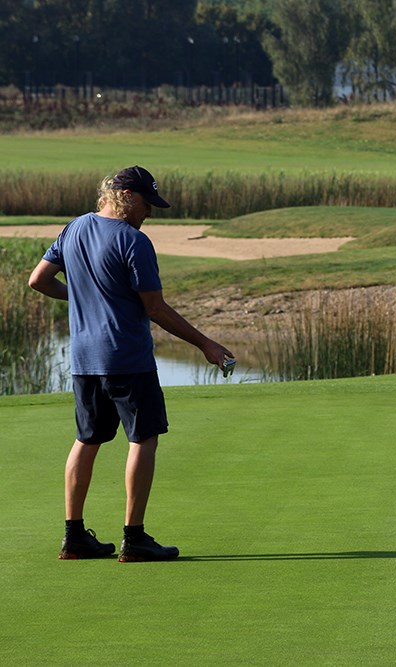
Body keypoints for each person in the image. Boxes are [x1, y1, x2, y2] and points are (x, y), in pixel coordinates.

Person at [29, 165, 233, 562]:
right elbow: (155, 308)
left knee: (87, 439)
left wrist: (84, 298)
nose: (150, 213)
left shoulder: (74, 228)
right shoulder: (133, 242)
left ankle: (74, 537)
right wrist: (205, 343)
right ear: (126, 196)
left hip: (85, 360)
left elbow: (38, 280)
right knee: (143, 439)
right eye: (146, 203)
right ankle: (134, 538)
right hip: (127, 359)